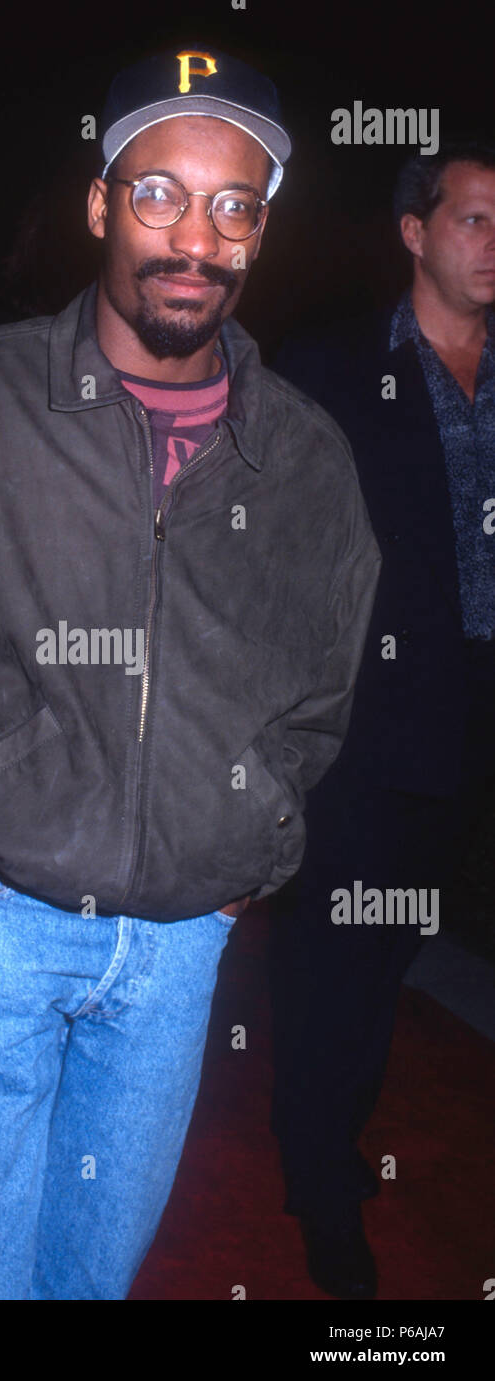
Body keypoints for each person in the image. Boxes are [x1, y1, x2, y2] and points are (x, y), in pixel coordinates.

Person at [0, 45, 380, 1300]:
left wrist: (241, 856)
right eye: (159, 193)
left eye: (232, 207)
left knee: (89, 1283)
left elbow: (318, 699)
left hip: (177, 952)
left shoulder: (308, 461)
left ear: (260, 235)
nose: (193, 237)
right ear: (101, 205)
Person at [268, 139, 495, 1299]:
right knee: (340, 965)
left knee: (409, 951)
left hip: (479, 728)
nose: (494, 245)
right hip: (363, 727)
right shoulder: (329, 370)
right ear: (415, 231)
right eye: (474, 219)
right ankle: (322, 1181)